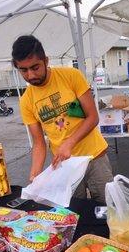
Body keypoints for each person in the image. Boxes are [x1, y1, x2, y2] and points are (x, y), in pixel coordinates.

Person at [12, 35, 113, 204]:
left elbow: (93, 117)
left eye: (35, 67)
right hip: (65, 167)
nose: (30, 75)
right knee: (75, 212)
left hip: (95, 157)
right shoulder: (26, 100)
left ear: (46, 60)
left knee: (108, 209)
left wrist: (69, 143)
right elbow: (38, 143)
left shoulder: (71, 76)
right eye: (23, 70)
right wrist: (35, 174)